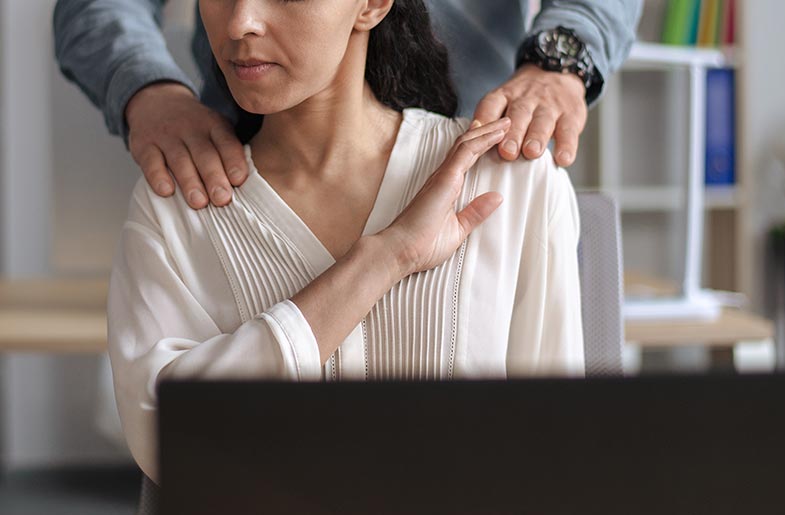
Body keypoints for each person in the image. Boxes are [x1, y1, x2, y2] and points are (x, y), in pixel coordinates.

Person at [105, 0, 584, 484]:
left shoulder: (512, 181)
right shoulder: (176, 203)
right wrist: (383, 259)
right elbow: (168, 439)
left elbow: (557, 452)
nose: (239, 23)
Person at [54, 0, 642, 210]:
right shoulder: (180, 216)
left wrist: (560, 59)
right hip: (232, 171)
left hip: (480, 153)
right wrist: (148, 91)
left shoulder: (523, 199)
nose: (243, 19)